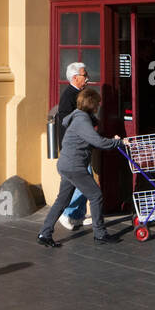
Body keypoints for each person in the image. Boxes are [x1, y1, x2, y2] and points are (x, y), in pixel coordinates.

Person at [39, 88, 125, 247]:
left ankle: (45, 233)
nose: (99, 106)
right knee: (96, 195)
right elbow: (98, 142)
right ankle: (100, 234)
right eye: (98, 103)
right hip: (74, 166)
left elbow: (90, 141)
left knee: (62, 200)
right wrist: (119, 142)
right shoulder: (82, 120)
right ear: (91, 104)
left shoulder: (78, 118)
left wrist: (110, 140)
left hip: (67, 164)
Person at [55, 62, 90, 231]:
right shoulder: (70, 96)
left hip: (78, 145)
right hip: (74, 147)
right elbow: (68, 122)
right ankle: (68, 213)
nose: (87, 78)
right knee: (84, 178)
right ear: (75, 78)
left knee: (78, 179)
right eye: (84, 75)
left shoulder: (78, 94)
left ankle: (76, 215)